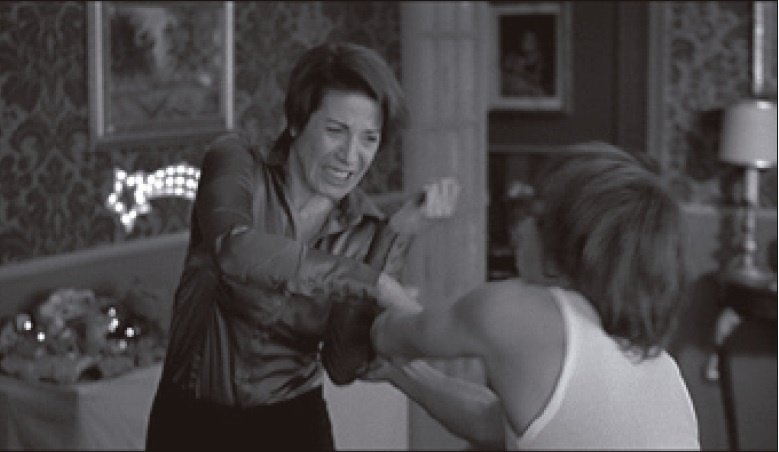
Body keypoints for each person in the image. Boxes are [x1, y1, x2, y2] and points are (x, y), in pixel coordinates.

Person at [145, 41, 460, 451]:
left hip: (294, 427)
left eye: (369, 138)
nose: (351, 156)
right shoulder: (235, 162)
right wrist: (374, 283)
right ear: (296, 122)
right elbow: (233, 249)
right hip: (191, 425)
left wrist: (397, 234)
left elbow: (343, 364)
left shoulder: (367, 230)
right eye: (336, 131)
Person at [369, 143, 701, 450]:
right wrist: (397, 373)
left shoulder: (521, 312)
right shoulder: (659, 366)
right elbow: (488, 423)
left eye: (534, 213)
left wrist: (399, 234)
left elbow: (385, 334)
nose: (520, 226)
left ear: (559, 244)